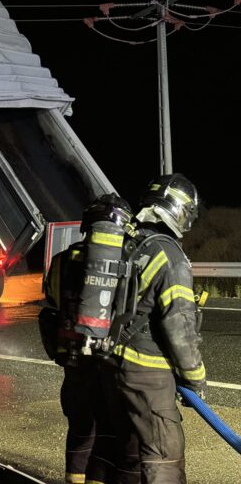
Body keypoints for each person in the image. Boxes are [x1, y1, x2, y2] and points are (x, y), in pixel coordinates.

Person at [106, 173, 207, 484]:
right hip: (147, 371)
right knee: (164, 454)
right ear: (180, 211)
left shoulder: (128, 243)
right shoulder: (171, 256)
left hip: (111, 363)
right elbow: (179, 326)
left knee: (128, 452)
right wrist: (195, 378)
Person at [40, 193, 133, 484]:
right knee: (108, 438)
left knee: (80, 434)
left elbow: (52, 304)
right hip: (109, 366)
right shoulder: (125, 262)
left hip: (74, 363)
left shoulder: (61, 261)